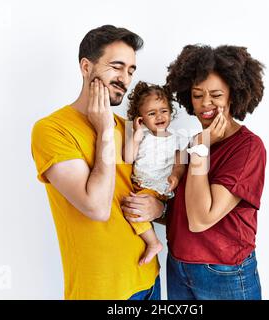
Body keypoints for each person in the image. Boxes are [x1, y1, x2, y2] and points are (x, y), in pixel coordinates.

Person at [31, 25, 165, 300]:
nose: (125, 79)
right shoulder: (52, 130)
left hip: (148, 277)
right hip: (102, 290)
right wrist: (103, 129)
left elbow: (150, 185)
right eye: (117, 67)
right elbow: (97, 207)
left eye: (130, 70)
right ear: (85, 66)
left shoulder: (128, 128)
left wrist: (158, 207)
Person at [145, 44, 266, 300]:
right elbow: (185, 211)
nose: (205, 104)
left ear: (233, 95)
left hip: (224, 273)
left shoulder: (248, 148)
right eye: (198, 95)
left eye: (216, 95)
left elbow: (201, 219)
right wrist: (159, 210)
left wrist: (200, 148)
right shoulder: (197, 143)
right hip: (178, 266)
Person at [124, 81, 187, 266]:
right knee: (132, 208)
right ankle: (151, 240)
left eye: (164, 110)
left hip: (158, 187)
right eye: (152, 113)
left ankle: (153, 243)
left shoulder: (177, 139)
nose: (159, 116)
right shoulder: (141, 135)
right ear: (141, 118)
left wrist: (175, 176)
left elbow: (179, 163)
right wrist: (135, 137)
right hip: (140, 185)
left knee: (134, 211)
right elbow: (128, 158)